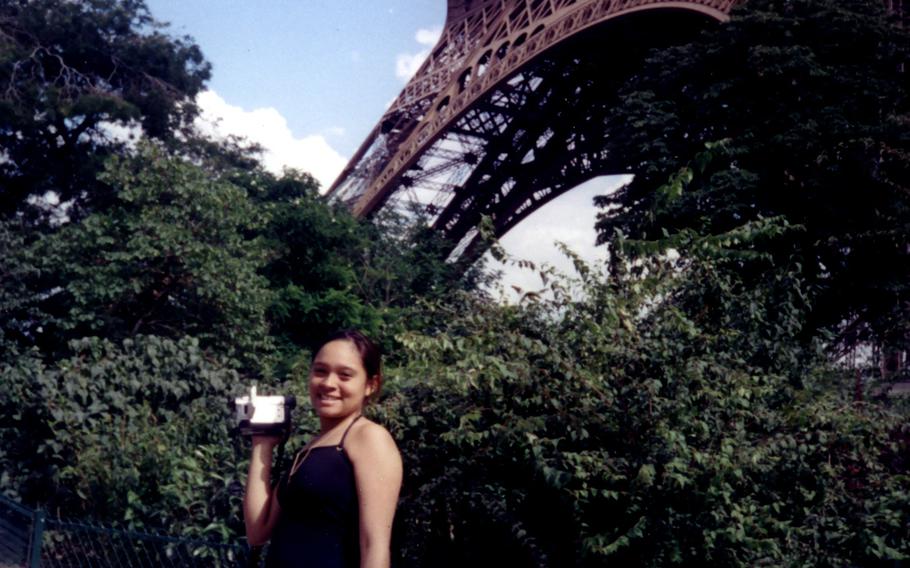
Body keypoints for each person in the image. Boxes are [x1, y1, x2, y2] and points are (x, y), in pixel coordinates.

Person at [243, 330, 403, 568]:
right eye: (320, 371)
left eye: (345, 375)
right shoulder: (308, 450)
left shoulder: (369, 438)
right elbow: (257, 531)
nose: (328, 383)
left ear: (371, 384)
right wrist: (262, 445)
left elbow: (374, 545)